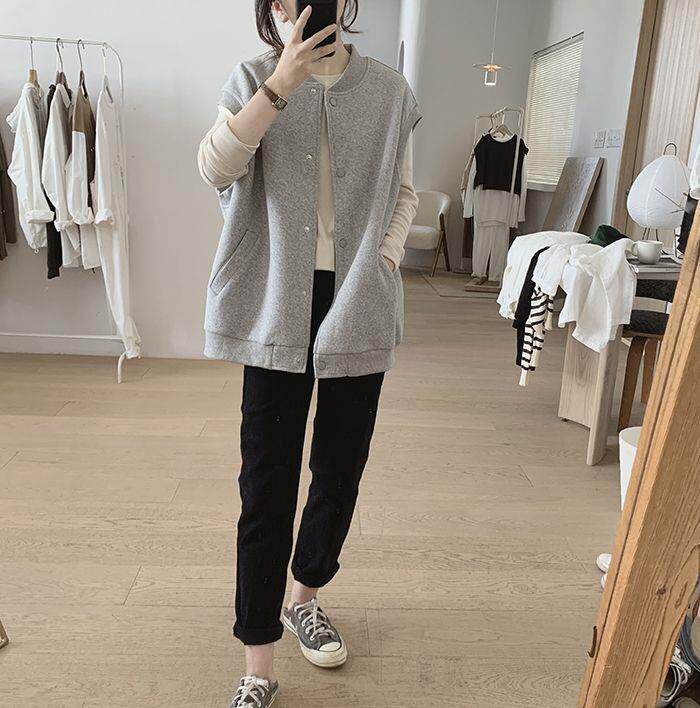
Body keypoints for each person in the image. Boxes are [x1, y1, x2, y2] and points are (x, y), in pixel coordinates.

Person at [198, 1, 421, 705]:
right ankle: (257, 665)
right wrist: (281, 84)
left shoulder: (388, 91)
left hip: (358, 295)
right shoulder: (252, 79)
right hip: (275, 297)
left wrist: (382, 263)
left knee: (339, 467)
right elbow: (215, 168)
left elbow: (404, 193)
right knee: (266, 482)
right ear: (274, 9)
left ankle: (305, 596)